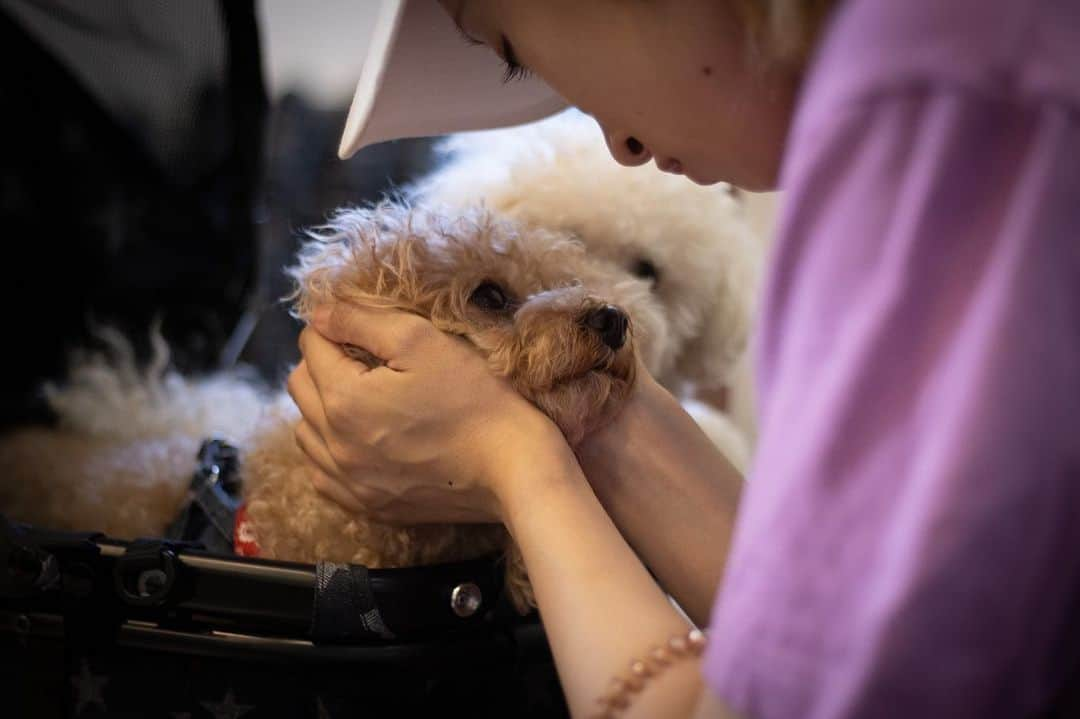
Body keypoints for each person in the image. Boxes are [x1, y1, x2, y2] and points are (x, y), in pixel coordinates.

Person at [286, 1, 1080, 717]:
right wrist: (575, 409)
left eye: (511, 53)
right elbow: (817, 631)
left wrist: (516, 463)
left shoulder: (947, 96)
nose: (619, 143)